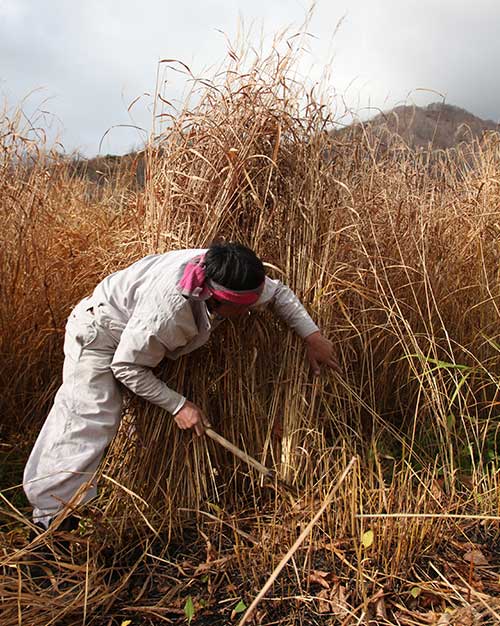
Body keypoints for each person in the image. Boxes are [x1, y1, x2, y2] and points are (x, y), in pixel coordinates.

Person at [23, 243, 340, 530]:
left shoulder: (230, 273)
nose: (248, 312)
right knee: (89, 420)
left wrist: (312, 337)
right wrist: (178, 405)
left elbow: (278, 294)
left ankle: (49, 506)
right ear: (217, 300)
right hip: (100, 335)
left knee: (87, 420)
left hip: (134, 335)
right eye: (243, 307)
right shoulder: (169, 311)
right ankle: (51, 521)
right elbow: (126, 366)